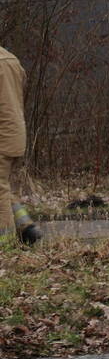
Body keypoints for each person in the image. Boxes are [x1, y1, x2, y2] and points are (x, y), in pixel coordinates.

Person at [0, 45, 40, 245]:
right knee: (4, 187)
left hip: (2, 134)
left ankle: (4, 241)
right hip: (16, 133)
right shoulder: (10, 58)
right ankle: (27, 227)